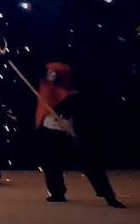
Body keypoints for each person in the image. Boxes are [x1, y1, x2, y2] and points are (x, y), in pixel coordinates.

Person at [36, 62, 124, 208]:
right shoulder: (47, 88)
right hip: (50, 131)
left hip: (71, 133)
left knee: (91, 164)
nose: (50, 76)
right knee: (51, 164)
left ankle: (108, 195)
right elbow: (46, 94)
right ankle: (57, 193)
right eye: (49, 73)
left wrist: (67, 112)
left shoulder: (72, 93)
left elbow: (80, 110)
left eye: (54, 73)